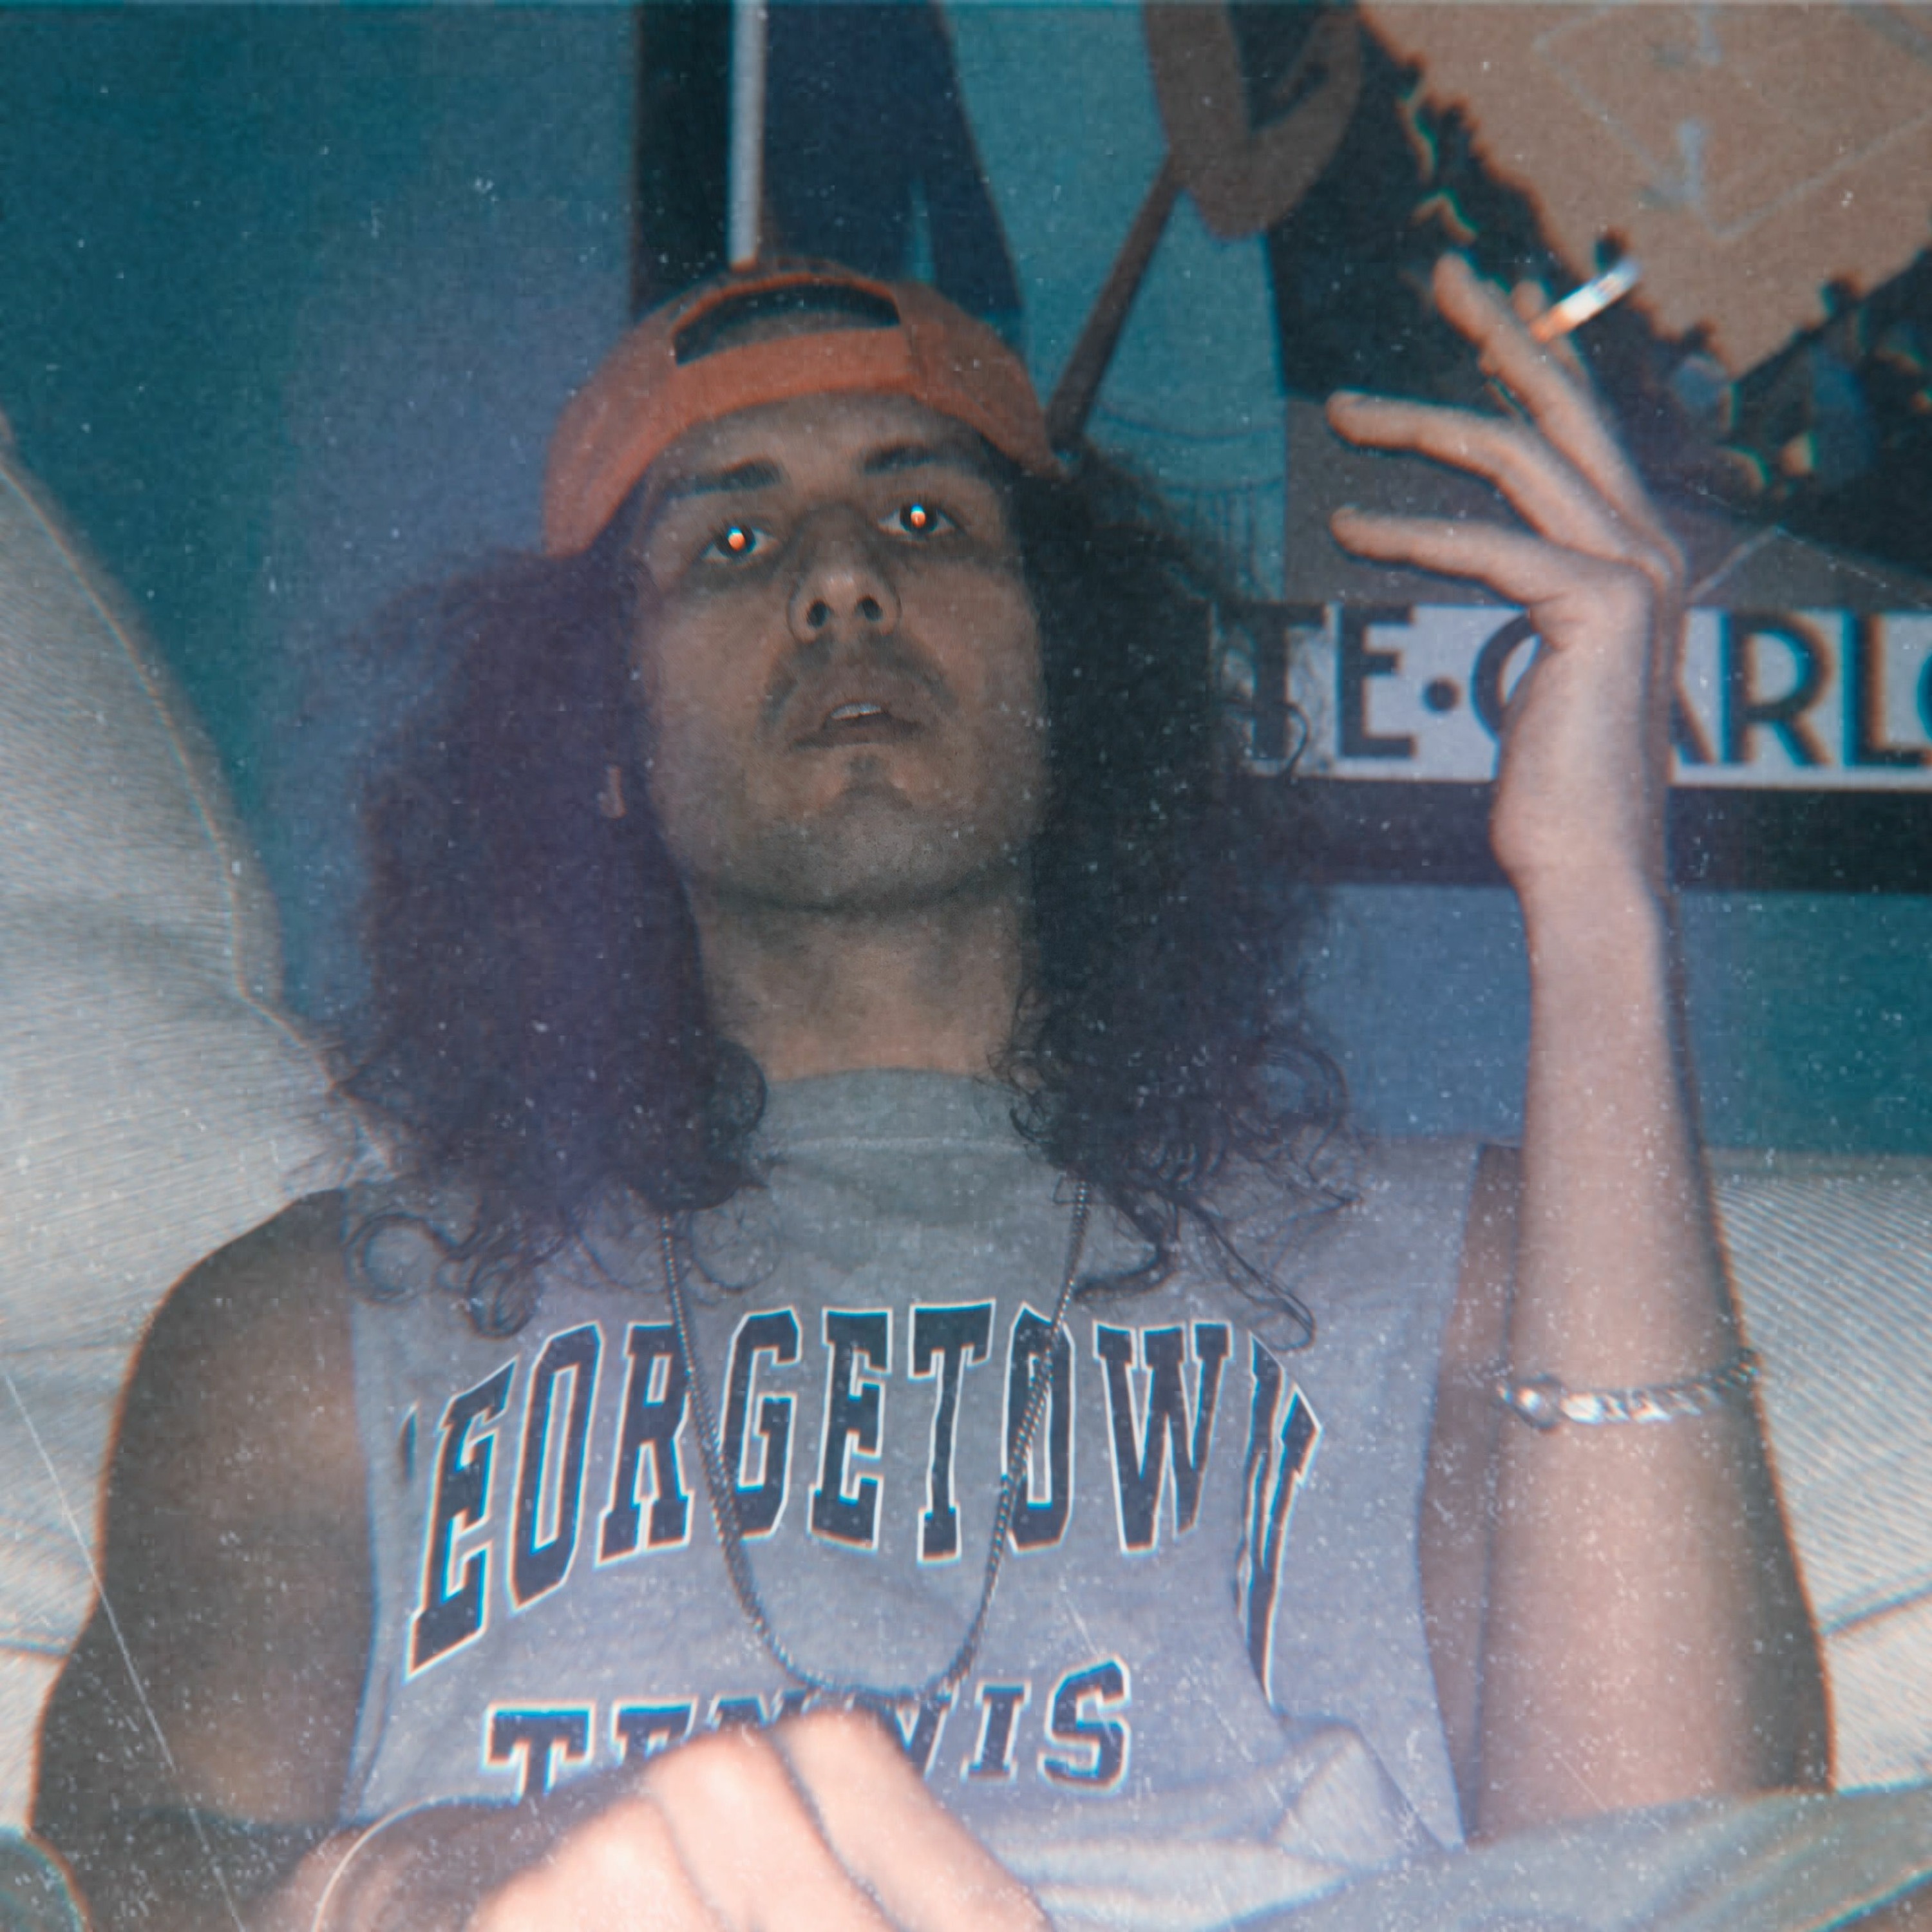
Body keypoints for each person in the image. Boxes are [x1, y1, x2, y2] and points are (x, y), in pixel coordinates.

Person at [30, 256, 1881, 1931]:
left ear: (1075, 685)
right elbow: (107, 1874)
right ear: (600, 742)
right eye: (732, 543)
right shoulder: (315, 1322)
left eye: (927, 518)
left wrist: (1602, 899)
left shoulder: (1461, 1257)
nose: (844, 577)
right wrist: (399, 1886)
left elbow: (1679, 1875)